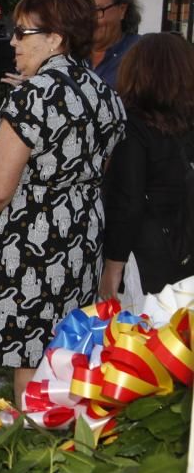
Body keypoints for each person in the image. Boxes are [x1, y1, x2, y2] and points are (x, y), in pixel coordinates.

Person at [0, 0, 126, 403]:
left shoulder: (32, 97)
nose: (12, 42)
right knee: (67, 347)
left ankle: (30, 447)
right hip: (82, 234)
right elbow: (101, 168)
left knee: (30, 354)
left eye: (22, 32)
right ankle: (62, 441)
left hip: (33, 241)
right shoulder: (106, 95)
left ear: (55, 38)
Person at [100, 33, 194, 298]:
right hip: (185, 250)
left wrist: (112, 266)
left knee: (141, 335)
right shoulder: (185, 124)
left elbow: (127, 200)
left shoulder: (132, 125)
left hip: (148, 259)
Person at [80, 0, 142, 89]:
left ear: (122, 10)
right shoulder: (69, 54)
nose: (89, 19)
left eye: (97, 10)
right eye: (82, 10)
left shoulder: (142, 54)